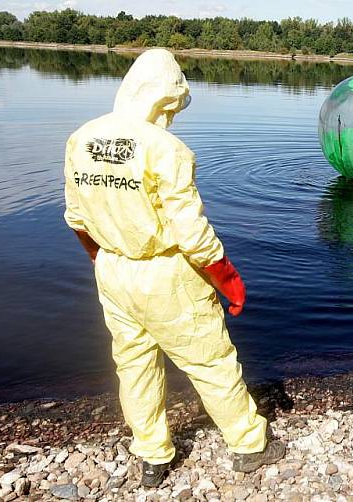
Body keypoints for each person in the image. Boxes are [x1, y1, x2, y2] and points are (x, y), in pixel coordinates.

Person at [63, 49, 285, 487]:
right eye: (172, 106)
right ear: (164, 97)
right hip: (164, 274)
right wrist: (228, 280)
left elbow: (76, 218)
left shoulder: (82, 138)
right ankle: (248, 444)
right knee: (211, 361)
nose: (173, 115)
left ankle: (151, 455)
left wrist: (101, 257)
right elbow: (191, 232)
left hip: (111, 269)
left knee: (134, 363)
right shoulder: (164, 148)